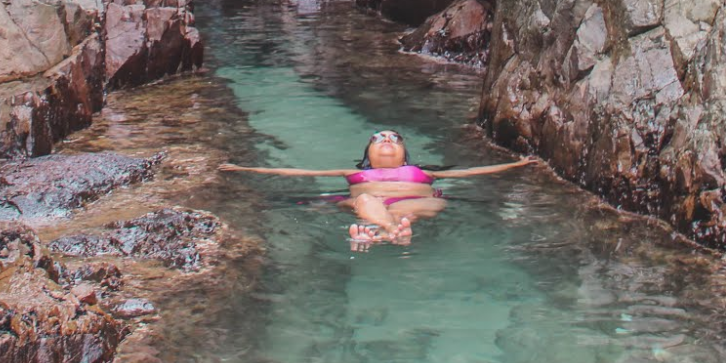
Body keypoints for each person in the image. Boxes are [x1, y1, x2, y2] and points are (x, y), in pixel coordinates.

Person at [221, 128, 533, 248]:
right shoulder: (351, 174)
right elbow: (296, 171)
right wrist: (244, 168)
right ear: (366, 155)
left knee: (422, 205)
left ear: (404, 154)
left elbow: (473, 172)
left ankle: (381, 231)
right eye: (378, 138)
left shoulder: (423, 173)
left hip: (418, 204)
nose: (386, 141)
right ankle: (392, 231)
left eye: (393, 138)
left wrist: (517, 165)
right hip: (368, 202)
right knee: (368, 199)